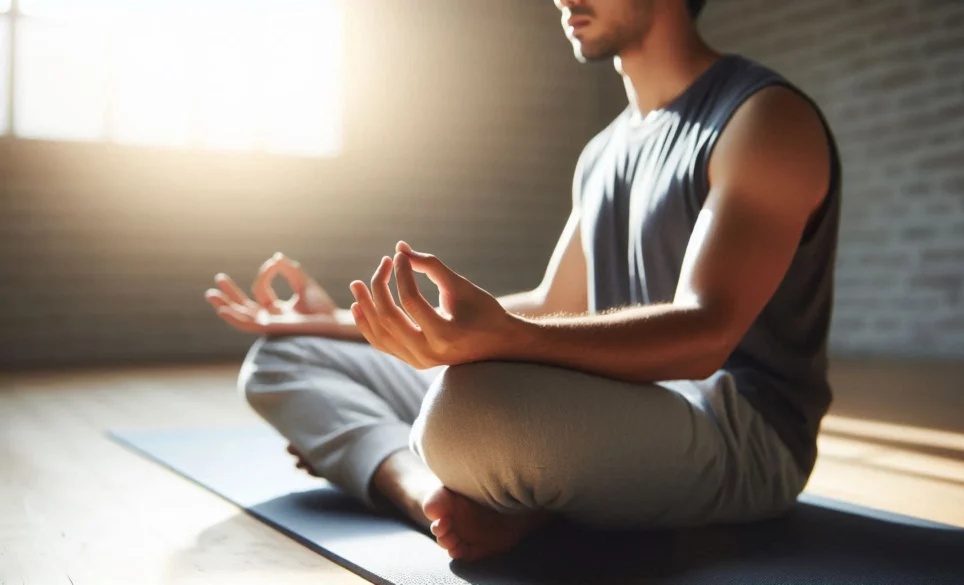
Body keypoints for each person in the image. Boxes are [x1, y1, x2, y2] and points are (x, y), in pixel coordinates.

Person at [204, 0, 840, 563]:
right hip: (622, 405)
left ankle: (414, 471)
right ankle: (437, 499)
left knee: (466, 412)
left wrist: (502, 338)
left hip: (741, 434)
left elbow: (705, 336)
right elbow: (551, 305)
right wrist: (342, 325)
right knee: (282, 359)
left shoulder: (763, 120)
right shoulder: (605, 152)